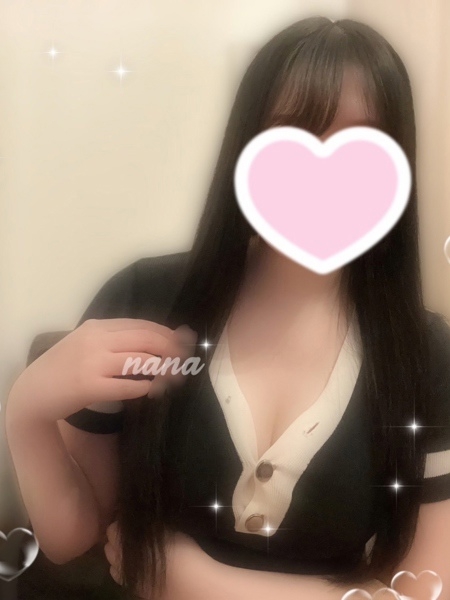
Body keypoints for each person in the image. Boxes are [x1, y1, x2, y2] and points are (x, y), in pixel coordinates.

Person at [6, 15, 450, 600]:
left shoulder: (427, 356)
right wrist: (27, 412)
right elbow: (70, 537)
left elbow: (424, 589)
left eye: (361, 146)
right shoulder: (146, 299)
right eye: (293, 135)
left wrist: (194, 580)